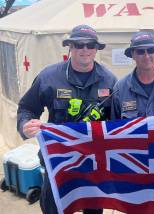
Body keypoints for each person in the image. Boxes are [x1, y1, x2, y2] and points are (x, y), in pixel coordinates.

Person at [17, 24, 117, 214]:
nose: (85, 50)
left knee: (93, 211)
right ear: (69, 47)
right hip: (58, 163)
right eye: (79, 44)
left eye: (90, 45)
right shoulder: (49, 77)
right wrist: (25, 125)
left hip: (92, 164)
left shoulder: (110, 81)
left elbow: (117, 122)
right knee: (53, 209)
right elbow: (27, 108)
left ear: (96, 49)